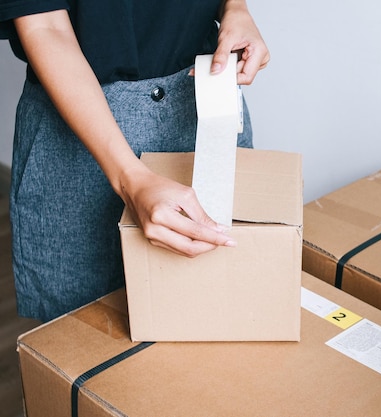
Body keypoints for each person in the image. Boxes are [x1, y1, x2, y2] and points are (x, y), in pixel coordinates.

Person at [0, 0, 270, 322]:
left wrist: (236, 9)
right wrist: (131, 178)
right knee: (88, 336)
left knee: (223, 313)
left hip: (204, 104)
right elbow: (46, 26)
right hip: (81, 130)